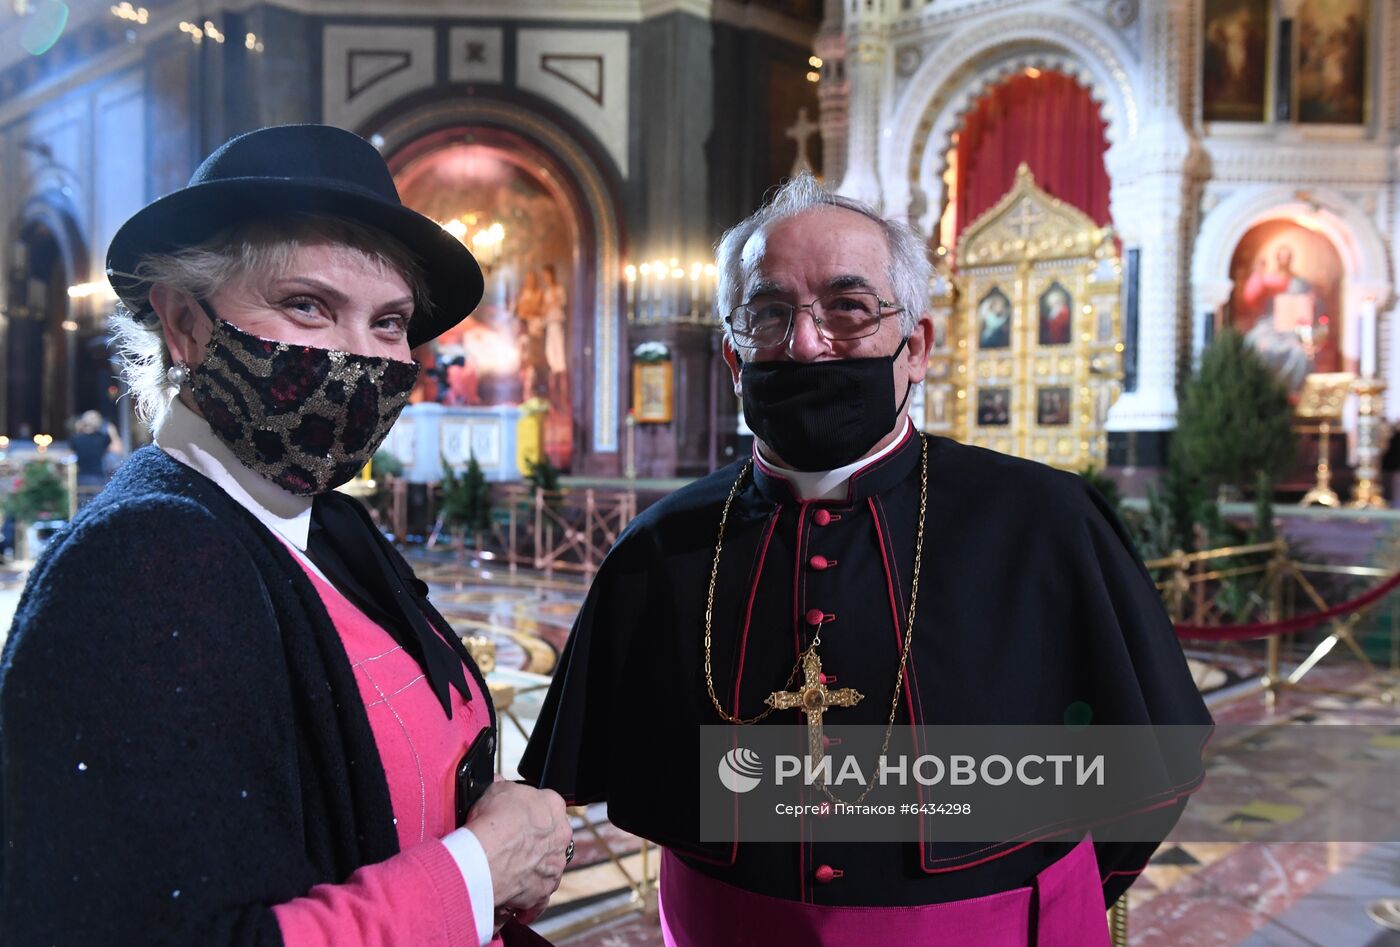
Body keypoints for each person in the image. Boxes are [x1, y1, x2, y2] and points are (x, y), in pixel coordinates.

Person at [520, 173, 1211, 944]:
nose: (807, 342)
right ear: (733, 356)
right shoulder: (660, 548)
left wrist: (1014, 903)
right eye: (770, 313)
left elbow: (1148, 770)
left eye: (847, 309)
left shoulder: (1045, 522)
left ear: (915, 346)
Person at [1, 124, 571, 946]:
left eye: (388, 322)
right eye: (308, 304)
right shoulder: (142, 563)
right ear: (185, 324)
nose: (359, 358)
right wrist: (482, 871)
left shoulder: (329, 524)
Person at [68, 409, 123, 488]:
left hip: (80, 479)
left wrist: (79, 428)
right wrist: (112, 431)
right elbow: (118, 450)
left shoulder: (76, 439)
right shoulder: (102, 438)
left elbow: (70, 456)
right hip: (99, 478)